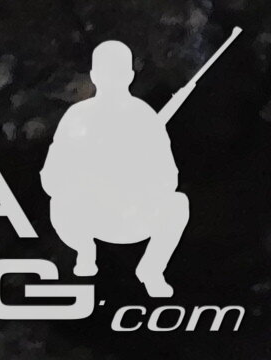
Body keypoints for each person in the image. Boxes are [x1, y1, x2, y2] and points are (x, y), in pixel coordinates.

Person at [44, 38, 193, 298]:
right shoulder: (77, 117)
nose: (112, 79)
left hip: (132, 216)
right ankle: (84, 251)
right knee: (59, 203)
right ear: (94, 76)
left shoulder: (144, 117)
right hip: (89, 216)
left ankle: (152, 269)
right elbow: (52, 177)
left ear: (129, 76)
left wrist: (136, 174)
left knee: (178, 205)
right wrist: (88, 178)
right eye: (106, 73)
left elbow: (169, 179)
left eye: (117, 72)